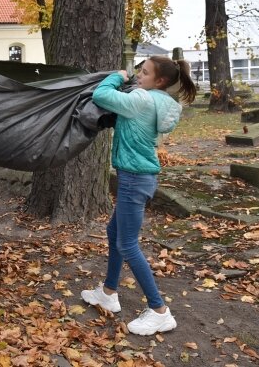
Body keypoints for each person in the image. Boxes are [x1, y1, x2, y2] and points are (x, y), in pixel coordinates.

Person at [81, 56, 196, 336]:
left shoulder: (141, 100)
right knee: (114, 232)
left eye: (144, 73)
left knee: (127, 244)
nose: (138, 76)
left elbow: (101, 95)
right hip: (136, 177)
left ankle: (159, 311)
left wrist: (117, 76)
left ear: (160, 81)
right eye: (138, 71)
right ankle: (108, 292)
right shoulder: (159, 101)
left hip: (134, 178)